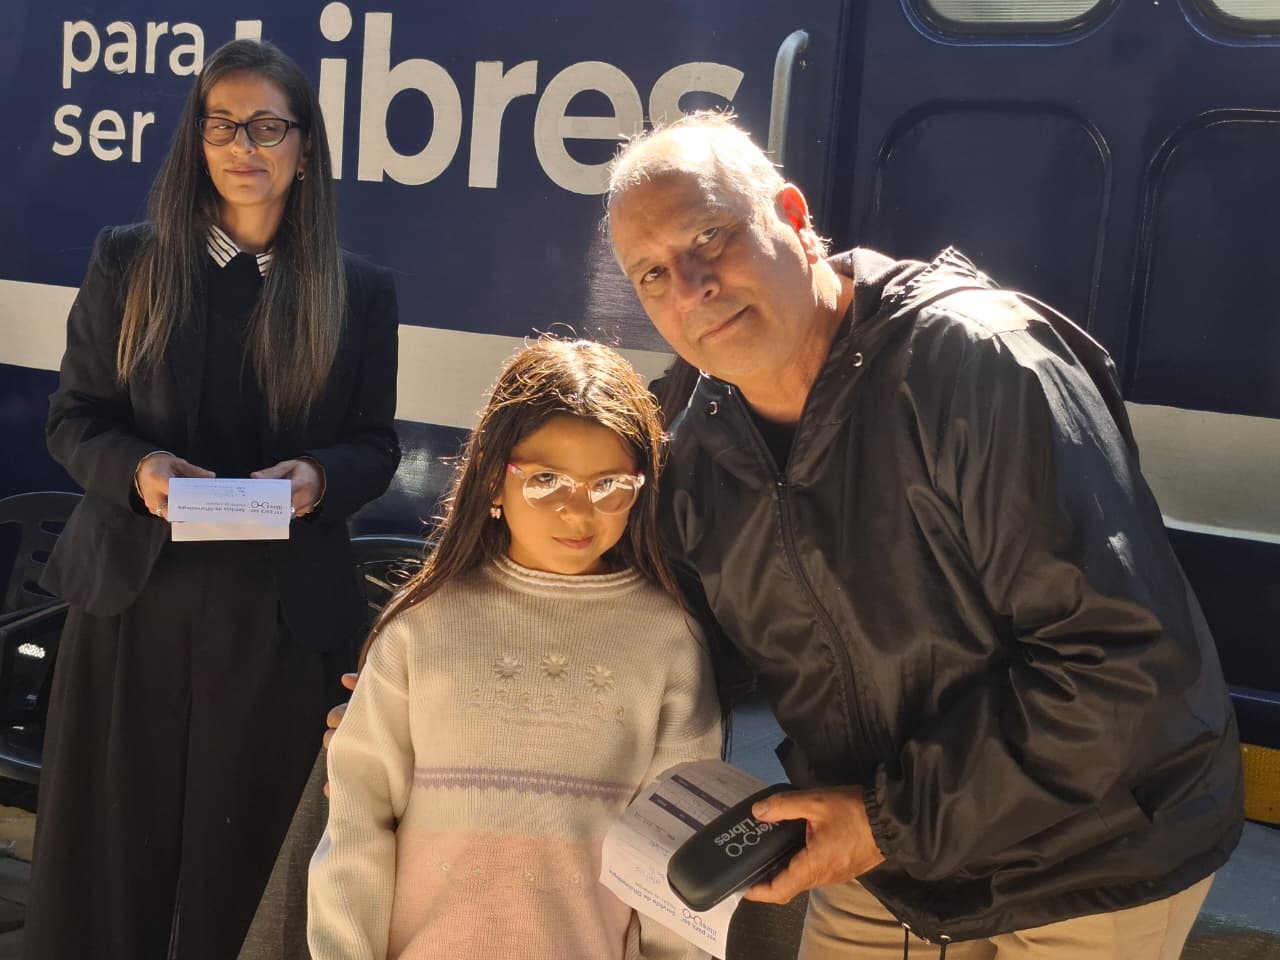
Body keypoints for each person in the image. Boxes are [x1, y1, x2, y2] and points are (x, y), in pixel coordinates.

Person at [602, 113, 1243, 959]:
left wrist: (881, 821)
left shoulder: (983, 365)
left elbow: (1124, 670)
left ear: (792, 215)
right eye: (653, 274)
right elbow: (666, 645)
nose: (690, 288)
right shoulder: (702, 449)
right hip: (895, 856)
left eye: (710, 237)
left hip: (1094, 852)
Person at [28, 38, 400, 960]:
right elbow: (74, 420)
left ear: (305, 148)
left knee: (250, 874)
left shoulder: (357, 293)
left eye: (267, 127)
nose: (243, 146)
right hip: (134, 599)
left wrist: (317, 477)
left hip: (279, 618)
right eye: (222, 125)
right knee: (106, 863)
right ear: (196, 141)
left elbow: (374, 445)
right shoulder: (129, 262)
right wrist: (142, 471)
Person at [308, 338, 721, 960]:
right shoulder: (423, 625)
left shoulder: (670, 640)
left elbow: (676, 849)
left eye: (610, 484)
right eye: (547, 480)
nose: (578, 511)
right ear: (492, 480)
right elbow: (358, 822)